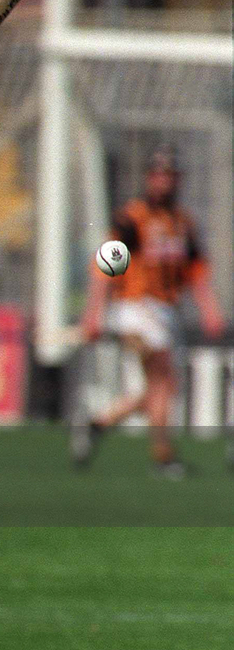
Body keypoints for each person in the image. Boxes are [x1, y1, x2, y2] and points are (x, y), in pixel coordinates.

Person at [74, 147, 225, 477]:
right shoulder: (133, 218)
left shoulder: (183, 223)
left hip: (167, 311)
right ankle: (163, 456)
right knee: (163, 379)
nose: (164, 183)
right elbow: (105, 266)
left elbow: (197, 272)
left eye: (170, 176)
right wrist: (94, 313)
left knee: (160, 388)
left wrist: (210, 310)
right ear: (149, 179)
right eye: (158, 176)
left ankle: (100, 422)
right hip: (137, 308)